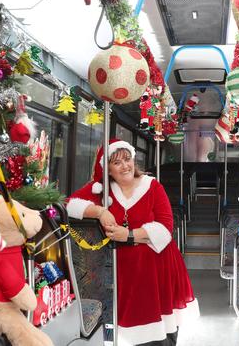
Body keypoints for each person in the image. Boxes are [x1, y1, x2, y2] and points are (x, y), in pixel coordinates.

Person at [66, 139, 199, 346]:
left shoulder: (153, 186)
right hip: (124, 271)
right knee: (130, 330)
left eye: (127, 159)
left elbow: (166, 228)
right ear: (107, 169)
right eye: (117, 162)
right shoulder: (102, 191)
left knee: (163, 332)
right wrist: (100, 211)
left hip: (158, 268)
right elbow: (69, 204)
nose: (125, 166)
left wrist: (127, 235)